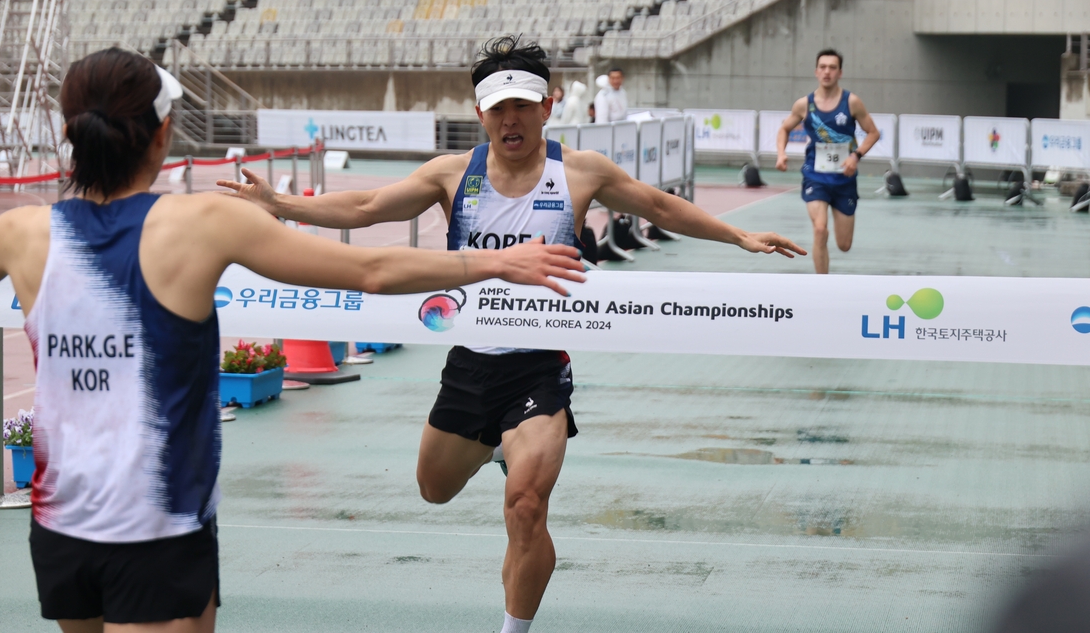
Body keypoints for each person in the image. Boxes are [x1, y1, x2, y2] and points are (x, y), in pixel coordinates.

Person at [0, 48, 585, 633]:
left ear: (69, 135)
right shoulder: (203, 222)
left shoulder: (20, 233)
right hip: (159, 524)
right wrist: (497, 262)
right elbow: (372, 271)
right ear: (162, 136)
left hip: (61, 527)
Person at [219, 35, 805, 633]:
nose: (511, 119)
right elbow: (368, 205)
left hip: (541, 367)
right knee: (433, 488)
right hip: (471, 362)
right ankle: (500, 443)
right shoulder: (454, 175)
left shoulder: (578, 173)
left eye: (523, 105)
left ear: (547, 106)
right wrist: (281, 204)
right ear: (480, 114)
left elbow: (659, 205)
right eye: (498, 108)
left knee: (525, 506)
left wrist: (740, 238)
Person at [775, 48, 880, 275]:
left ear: (840, 72)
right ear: (816, 71)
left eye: (832, 67)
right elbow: (784, 129)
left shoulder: (851, 102)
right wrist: (781, 153)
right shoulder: (804, 104)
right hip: (816, 176)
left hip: (844, 179)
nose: (827, 72)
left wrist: (856, 156)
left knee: (844, 245)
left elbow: (873, 132)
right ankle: (822, 286)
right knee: (820, 230)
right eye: (823, 67)